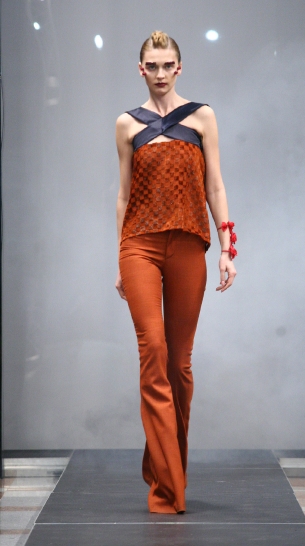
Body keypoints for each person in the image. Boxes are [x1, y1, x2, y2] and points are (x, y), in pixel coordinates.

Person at [115, 30, 237, 514]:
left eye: (168, 65)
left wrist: (227, 247)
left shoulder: (202, 117)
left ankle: (165, 465)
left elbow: (215, 186)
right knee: (153, 352)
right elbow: (124, 194)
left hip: (189, 244)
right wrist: (119, 255)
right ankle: (168, 491)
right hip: (139, 246)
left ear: (179, 68)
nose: (161, 73)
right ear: (141, 69)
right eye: (153, 65)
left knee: (178, 367)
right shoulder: (127, 124)